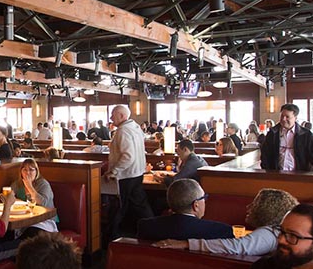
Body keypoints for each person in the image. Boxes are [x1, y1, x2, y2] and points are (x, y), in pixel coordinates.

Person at [157, 188, 299, 256]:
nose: (248, 207)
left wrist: (187, 244)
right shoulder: (275, 231)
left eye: (255, 204)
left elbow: (238, 247)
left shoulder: (270, 233)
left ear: (267, 210)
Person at [106, 104, 153, 240]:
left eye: (113, 115)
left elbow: (128, 156)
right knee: (140, 205)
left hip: (126, 176)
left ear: (121, 116)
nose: (111, 118)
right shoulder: (135, 127)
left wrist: (113, 171)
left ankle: (111, 238)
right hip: (137, 173)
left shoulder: (123, 131)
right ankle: (152, 230)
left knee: (119, 207)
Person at [137, 178, 233, 241]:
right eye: (204, 197)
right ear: (196, 205)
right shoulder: (221, 231)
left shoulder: (146, 226)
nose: (205, 201)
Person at [260, 104, 313, 172]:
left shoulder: (306, 135)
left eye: (287, 117)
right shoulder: (272, 133)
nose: (283, 119)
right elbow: (265, 155)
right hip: (276, 174)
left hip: (299, 174)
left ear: (295, 118)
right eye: (282, 116)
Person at [10, 159, 58, 235]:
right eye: (25, 170)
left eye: (31, 170)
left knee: (30, 232)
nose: (27, 173)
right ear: (21, 172)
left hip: (44, 220)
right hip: (25, 219)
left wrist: (29, 186)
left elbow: (43, 203)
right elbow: (9, 197)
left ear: (36, 172)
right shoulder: (17, 184)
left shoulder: (43, 184)